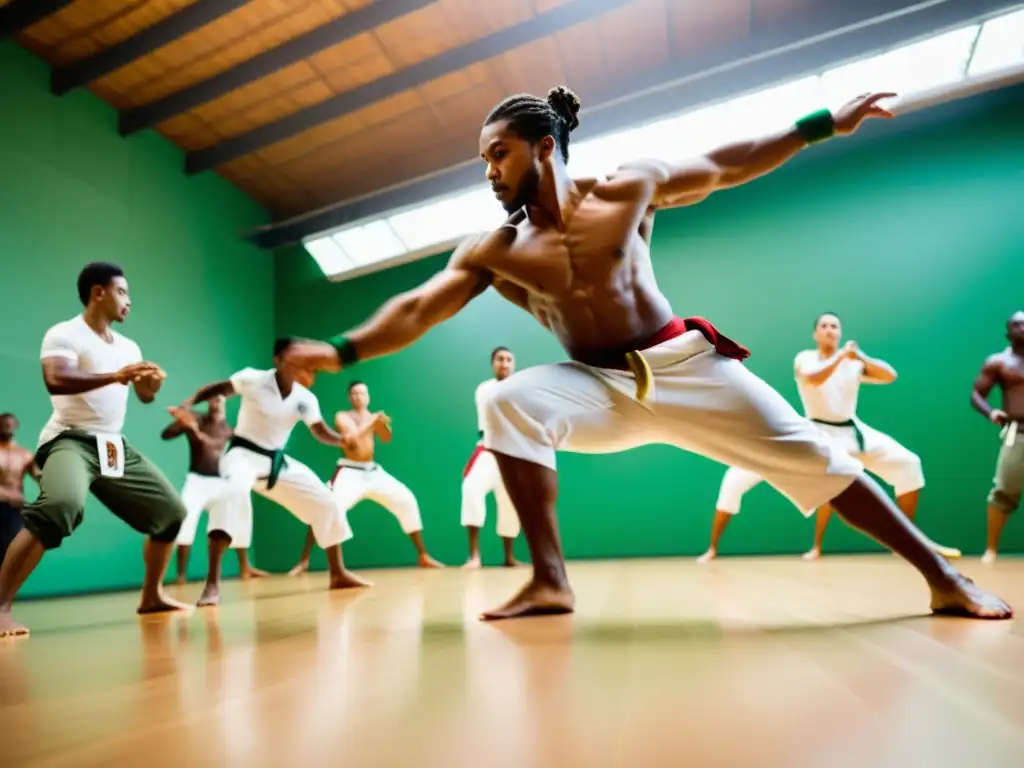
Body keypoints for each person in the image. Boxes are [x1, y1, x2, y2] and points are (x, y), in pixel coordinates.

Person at [278, 86, 1011, 621]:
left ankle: (942, 577)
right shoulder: (495, 250)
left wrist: (822, 124)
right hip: (595, 387)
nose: (488, 173)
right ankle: (548, 579)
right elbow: (419, 307)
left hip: (688, 368)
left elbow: (728, 162)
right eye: (482, 163)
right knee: (504, 400)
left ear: (543, 147)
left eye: (496, 155)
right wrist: (341, 352)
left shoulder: (628, 189)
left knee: (822, 463)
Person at [0, 262, 189, 637]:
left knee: (172, 513)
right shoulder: (65, 333)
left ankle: (152, 595)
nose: (129, 301)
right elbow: (56, 379)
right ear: (98, 292)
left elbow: (144, 397)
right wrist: (117, 376)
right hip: (69, 439)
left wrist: (150, 383)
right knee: (58, 508)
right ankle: (1, 606)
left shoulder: (129, 346)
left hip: (112, 446)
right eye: (122, 292)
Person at [697, 313, 960, 563]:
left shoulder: (853, 362)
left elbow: (890, 375)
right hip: (815, 432)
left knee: (908, 463)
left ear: (840, 332)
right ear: (816, 333)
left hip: (853, 433)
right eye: (824, 326)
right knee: (735, 479)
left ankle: (908, 541)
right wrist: (841, 357)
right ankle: (712, 548)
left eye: (834, 326)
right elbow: (812, 379)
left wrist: (860, 357)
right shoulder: (806, 358)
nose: (829, 330)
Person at [179, 338, 370, 600]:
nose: (305, 365)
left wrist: (341, 439)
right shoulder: (253, 379)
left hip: (277, 463)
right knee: (232, 494)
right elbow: (217, 389)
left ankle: (337, 573)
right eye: (296, 358)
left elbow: (320, 431)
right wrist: (186, 404)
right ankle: (212, 584)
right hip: (243, 455)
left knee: (326, 501)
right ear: (278, 360)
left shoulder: (305, 399)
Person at [288, 381, 444, 574]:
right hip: (349, 472)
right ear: (349, 397)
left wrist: (383, 425)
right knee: (327, 506)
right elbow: (351, 438)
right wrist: (372, 421)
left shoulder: (372, 418)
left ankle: (423, 555)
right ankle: (304, 561)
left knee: (407, 500)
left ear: (368, 397)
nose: (358, 397)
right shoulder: (343, 416)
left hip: (373, 472)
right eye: (354, 394)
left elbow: (386, 438)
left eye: (362, 393)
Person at [161, 394, 269, 598]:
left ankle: (245, 567)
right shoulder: (197, 419)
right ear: (207, 404)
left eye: (219, 399)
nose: (215, 402)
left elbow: (238, 449)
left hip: (221, 482)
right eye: (211, 400)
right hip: (196, 481)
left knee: (234, 518)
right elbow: (166, 434)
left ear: (224, 404)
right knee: (184, 524)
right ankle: (181, 577)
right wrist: (183, 423)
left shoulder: (229, 430)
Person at [970, 310, 1024, 564]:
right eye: (1018, 324)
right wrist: (991, 413)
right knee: (1003, 491)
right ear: (1009, 332)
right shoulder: (999, 362)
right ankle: (991, 549)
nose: (1023, 327)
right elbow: (976, 394)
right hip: (1018, 432)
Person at [462, 346, 520, 568]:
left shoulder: (521, 387)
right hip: (487, 450)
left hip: (513, 454)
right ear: (493, 363)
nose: (504, 363)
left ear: (513, 364)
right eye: (499, 359)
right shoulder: (484, 389)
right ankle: (474, 556)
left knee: (510, 503)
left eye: (508, 359)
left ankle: (509, 557)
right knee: (471, 490)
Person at [0, 414, 39, 565]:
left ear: (15, 426)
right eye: (4, 424)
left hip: (14, 507)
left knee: (11, 548)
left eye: (10, 424)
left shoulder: (23, 454)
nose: (7, 427)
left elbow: (40, 477)